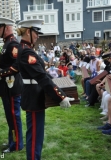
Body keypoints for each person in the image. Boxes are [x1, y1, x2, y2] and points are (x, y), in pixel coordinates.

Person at [16, 19, 74, 160]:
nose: (37, 36)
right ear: (28, 32)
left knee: (36, 134)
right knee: (35, 136)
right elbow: (41, 77)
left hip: (34, 94)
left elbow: (42, 74)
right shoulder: (26, 52)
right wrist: (61, 96)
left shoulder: (26, 49)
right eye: (36, 32)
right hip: (33, 96)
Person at [0, 17, 23, 153]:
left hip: (12, 85)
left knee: (13, 116)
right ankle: (13, 141)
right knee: (10, 117)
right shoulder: (6, 43)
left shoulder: (13, 44)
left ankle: (16, 144)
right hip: (7, 85)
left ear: (7, 27)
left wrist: (1, 73)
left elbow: (17, 65)